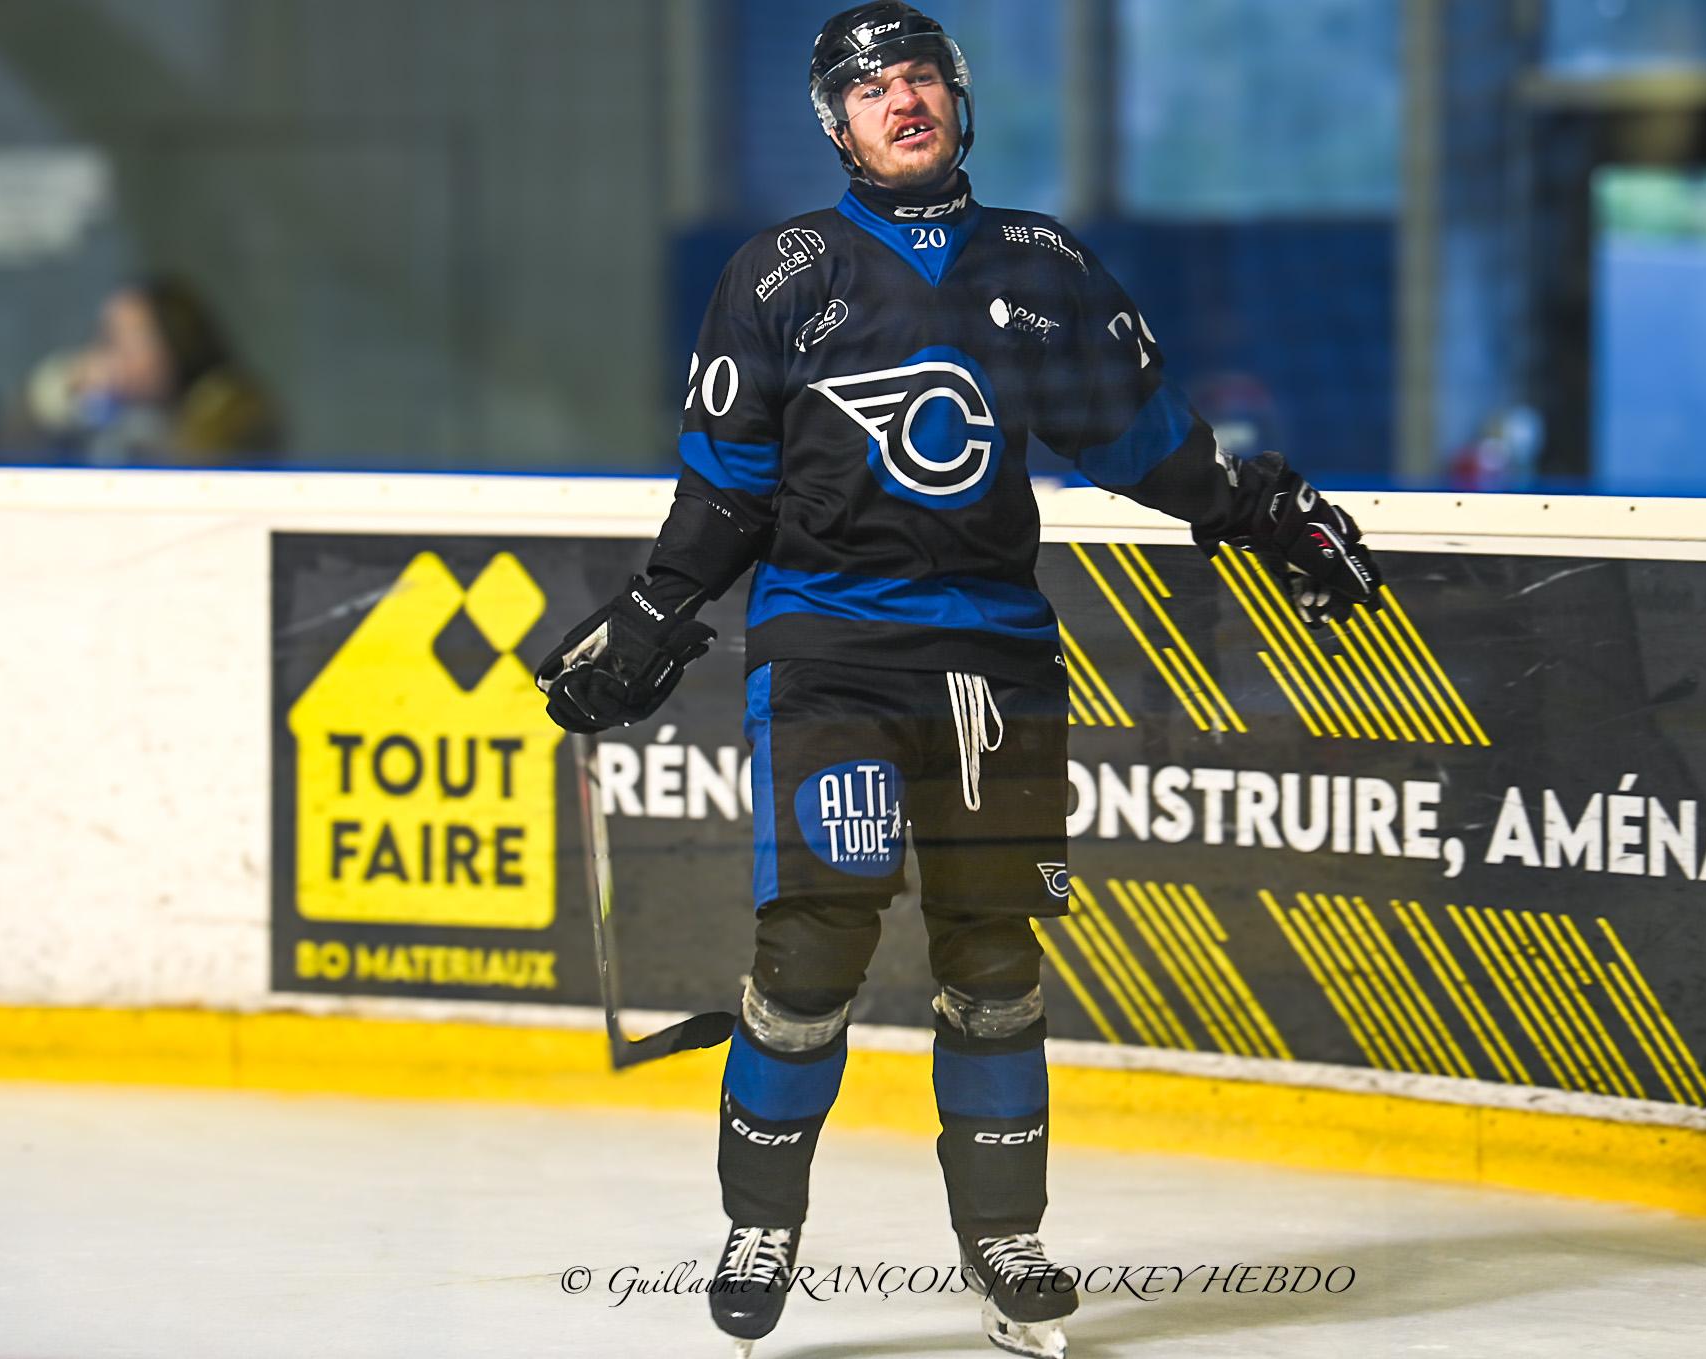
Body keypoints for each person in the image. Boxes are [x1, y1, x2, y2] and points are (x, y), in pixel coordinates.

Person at [535, 6, 1382, 1355]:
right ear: (836, 124)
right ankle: (760, 1225)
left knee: (994, 960)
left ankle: (1005, 1242)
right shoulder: (782, 272)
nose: (901, 98)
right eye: (870, 87)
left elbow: (1143, 440)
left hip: (996, 661)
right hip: (832, 654)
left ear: (958, 95)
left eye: (920, 74)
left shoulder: (1041, 264)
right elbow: (728, 486)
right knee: (811, 949)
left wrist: (1259, 507)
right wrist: (653, 609)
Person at [12, 275, 280, 466]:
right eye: (105, 341)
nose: (106, 358)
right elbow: (9, 452)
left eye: (121, 341)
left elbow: (196, 477)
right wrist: (60, 390)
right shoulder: (105, 414)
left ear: (174, 341)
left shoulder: (233, 407)